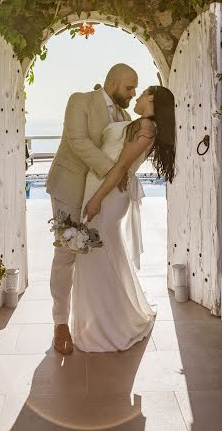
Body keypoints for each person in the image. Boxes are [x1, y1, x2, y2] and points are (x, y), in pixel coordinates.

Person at [71, 85, 175, 352]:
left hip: (107, 195)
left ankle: (111, 327)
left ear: (151, 98)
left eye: (141, 94)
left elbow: (120, 167)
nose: (137, 96)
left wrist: (96, 200)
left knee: (97, 258)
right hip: (101, 189)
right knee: (105, 256)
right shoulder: (135, 123)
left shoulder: (146, 128)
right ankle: (106, 319)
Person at [46, 63, 138, 355]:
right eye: (129, 87)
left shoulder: (125, 117)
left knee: (97, 254)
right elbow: (78, 141)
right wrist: (113, 171)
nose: (134, 93)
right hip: (69, 187)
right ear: (112, 83)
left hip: (101, 195)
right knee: (66, 253)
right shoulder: (80, 100)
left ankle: (98, 320)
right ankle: (60, 322)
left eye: (135, 88)